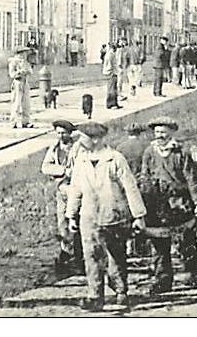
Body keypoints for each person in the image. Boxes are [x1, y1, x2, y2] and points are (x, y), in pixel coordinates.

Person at [66, 122, 147, 312]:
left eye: (83, 137)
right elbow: (75, 189)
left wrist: (138, 215)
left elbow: (130, 187)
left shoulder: (115, 158)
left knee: (116, 255)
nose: (79, 140)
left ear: (95, 139)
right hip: (89, 216)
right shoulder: (81, 160)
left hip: (114, 215)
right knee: (91, 256)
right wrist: (71, 214)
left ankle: (120, 291)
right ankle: (95, 296)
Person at [139, 116, 197, 294]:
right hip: (157, 206)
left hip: (180, 204)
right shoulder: (149, 152)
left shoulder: (181, 153)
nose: (159, 135)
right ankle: (163, 279)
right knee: (159, 243)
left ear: (171, 133)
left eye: (163, 132)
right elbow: (144, 176)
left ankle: (191, 273)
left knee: (186, 240)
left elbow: (193, 180)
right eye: (157, 132)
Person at [41, 119, 83, 273]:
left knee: (77, 220)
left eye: (63, 133)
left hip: (78, 188)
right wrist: (63, 171)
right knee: (63, 222)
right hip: (62, 190)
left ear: (70, 133)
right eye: (58, 133)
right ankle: (66, 252)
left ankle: (79, 256)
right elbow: (45, 167)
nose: (60, 136)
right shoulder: (54, 149)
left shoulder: (78, 148)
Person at [8, 46, 34, 128]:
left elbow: (30, 71)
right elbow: (12, 74)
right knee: (16, 103)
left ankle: (25, 121)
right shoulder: (13, 62)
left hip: (25, 82)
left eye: (25, 53)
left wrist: (27, 71)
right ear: (18, 53)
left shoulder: (25, 62)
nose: (25, 55)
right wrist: (19, 72)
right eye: (23, 53)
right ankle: (13, 121)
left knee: (26, 103)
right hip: (17, 83)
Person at [102, 42, 122, 109]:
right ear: (113, 48)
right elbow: (111, 65)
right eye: (115, 48)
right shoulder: (110, 55)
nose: (116, 49)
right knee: (111, 89)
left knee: (113, 89)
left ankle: (114, 103)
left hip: (112, 73)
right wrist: (114, 72)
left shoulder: (110, 54)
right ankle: (110, 104)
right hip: (111, 73)